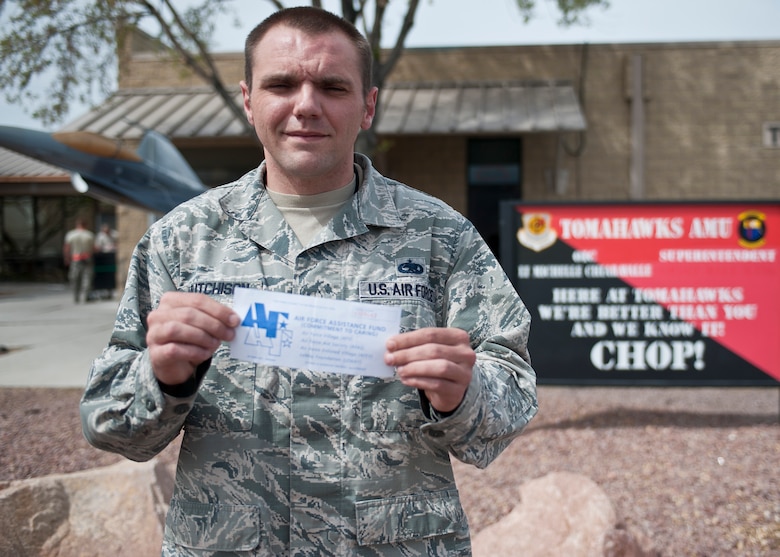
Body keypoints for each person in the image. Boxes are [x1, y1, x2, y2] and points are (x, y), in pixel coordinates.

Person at [80, 7, 538, 556]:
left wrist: (462, 393)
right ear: (249, 101)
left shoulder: (440, 237)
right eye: (281, 84)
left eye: (332, 86)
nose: (305, 105)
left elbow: (511, 395)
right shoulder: (181, 241)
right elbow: (110, 425)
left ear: (367, 106)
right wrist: (165, 377)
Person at [63, 217, 95, 303]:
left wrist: (67, 258)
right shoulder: (89, 235)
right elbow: (93, 248)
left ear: (77, 225)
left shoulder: (71, 234)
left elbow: (67, 248)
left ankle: (76, 296)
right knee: (87, 278)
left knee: (75, 278)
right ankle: (85, 295)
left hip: (75, 258)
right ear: (85, 225)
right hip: (87, 258)